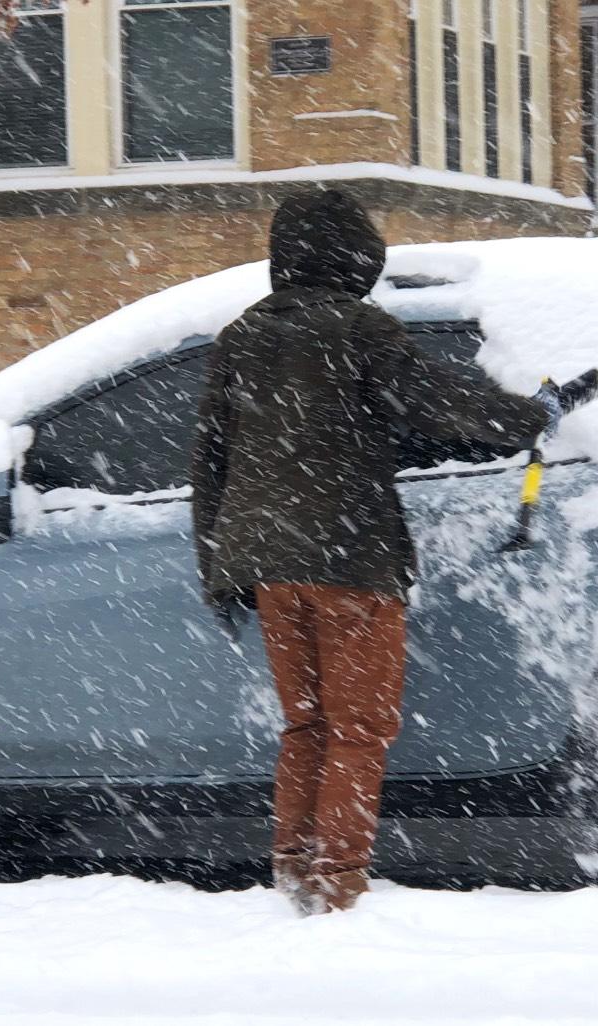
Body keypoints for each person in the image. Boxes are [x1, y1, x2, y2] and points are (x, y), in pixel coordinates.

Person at [190, 190, 556, 915]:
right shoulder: (359, 329)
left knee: (308, 725)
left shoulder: (241, 335)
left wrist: (220, 569)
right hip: (347, 556)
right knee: (360, 729)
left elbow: (210, 459)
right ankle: (338, 889)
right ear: (357, 258)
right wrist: (534, 415)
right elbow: (437, 401)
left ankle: (295, 873)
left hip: (267, 565)